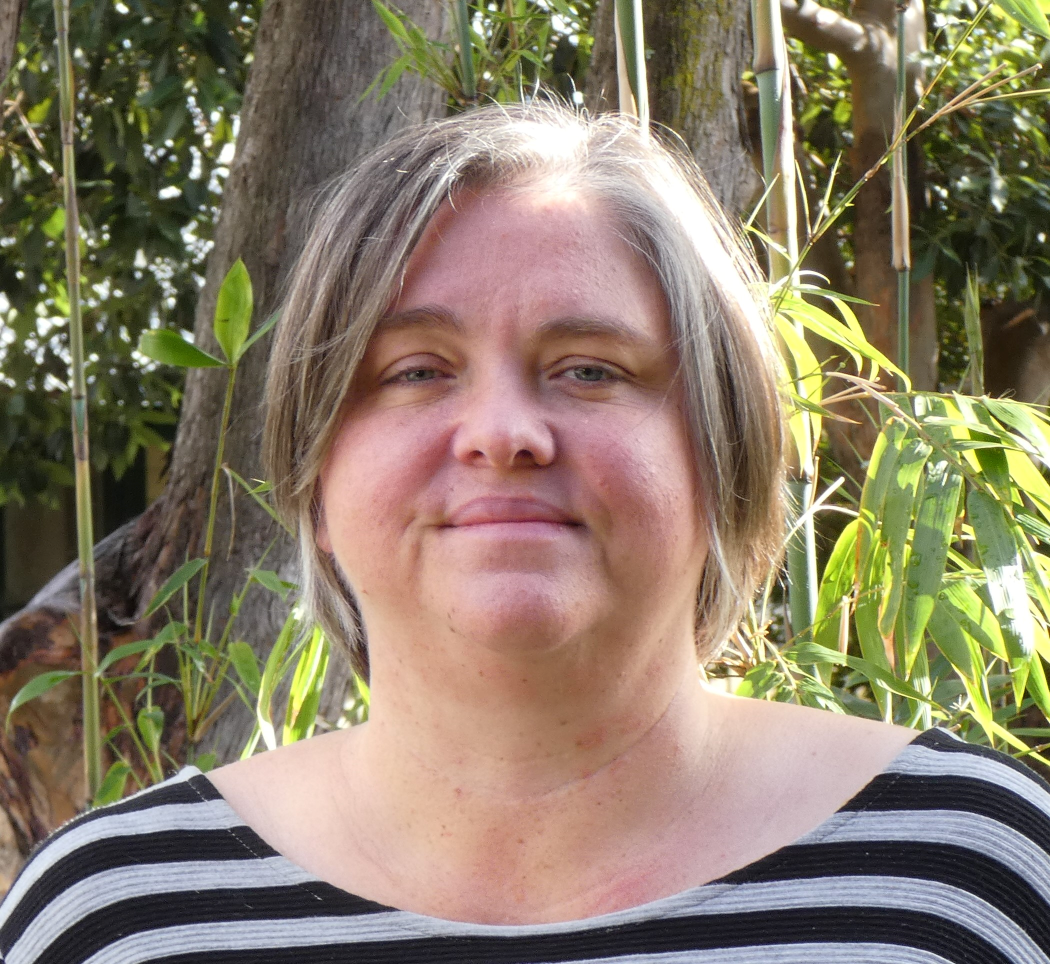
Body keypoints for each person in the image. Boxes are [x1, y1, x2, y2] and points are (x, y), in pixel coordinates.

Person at [2, 102, 1050, 964]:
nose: (503, 433)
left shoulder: (976, 880)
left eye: (590, 368)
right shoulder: (116, 919)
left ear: (721, 449)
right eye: (415, 371)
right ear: (316, 478)